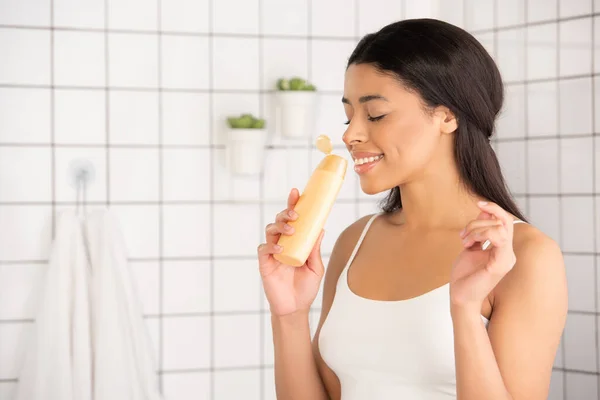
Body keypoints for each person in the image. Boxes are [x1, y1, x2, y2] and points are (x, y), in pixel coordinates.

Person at [257, 18, 567, 400]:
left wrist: (465, 311)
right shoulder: (356, 241)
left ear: (448, 115)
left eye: (375, 115)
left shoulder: (525, 256)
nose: (350, 134)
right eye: (348, 115)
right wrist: (288, 315)